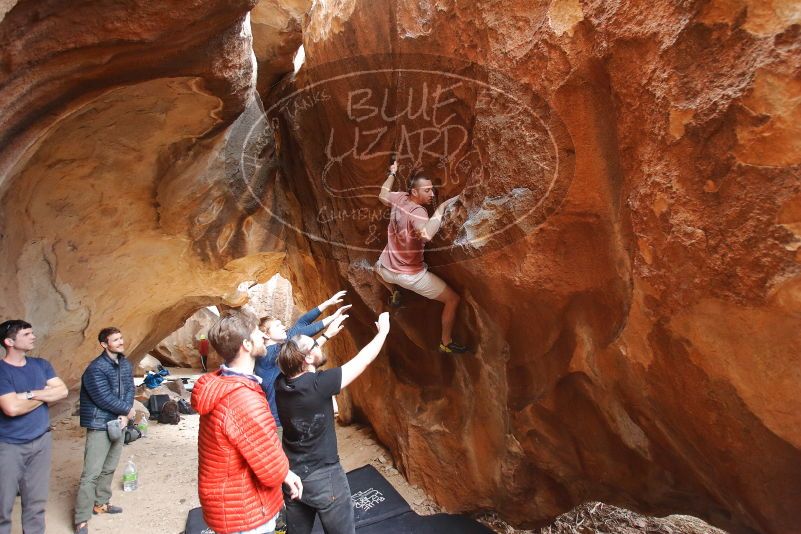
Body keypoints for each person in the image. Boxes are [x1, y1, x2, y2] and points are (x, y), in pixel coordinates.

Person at [276, 311, 391, 534]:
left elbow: (298, 356)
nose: (320, 346)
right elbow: (363, 360)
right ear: (307, 358)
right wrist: (383, 332)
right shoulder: (320, 385)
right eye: (315, 346)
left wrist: (326, 336)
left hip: (292, 473)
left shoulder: (281, 384)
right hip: (324, 477)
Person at [192, 309, 302, 534]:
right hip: (244, 511)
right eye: (257, 333)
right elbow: (270, 470)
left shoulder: (220, 384)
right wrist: (285, 473)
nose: (263, 336)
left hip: (227, 503)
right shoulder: (242, 398)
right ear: (247, 345)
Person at [375, 160, 468, 353]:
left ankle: (393, 293)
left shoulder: (400, 198)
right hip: (410, 277)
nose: (432, 194)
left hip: (385, 269)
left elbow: (382, 194)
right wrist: (441, 208)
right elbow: (426, 234)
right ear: (415, 192)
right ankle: (446, 342)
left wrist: (392, 173)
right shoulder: (419, 212)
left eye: (432, 190)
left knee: (377, 270)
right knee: (453, 300)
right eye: (427, 191)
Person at [0, 320, 68, 534]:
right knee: (2, 506)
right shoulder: (2, 371)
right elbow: (11, 408)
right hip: (9, 445)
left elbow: (62, 391)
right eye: (27, 334)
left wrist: (30, 394)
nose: (33, 337)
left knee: (36, 504)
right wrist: (45, 394)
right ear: (9, 341)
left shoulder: (41, 365)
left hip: (41, 442)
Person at [256, 290, 351, 437]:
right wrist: (328, 331)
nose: (282, 327)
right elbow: (299, 344)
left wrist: (329, 303)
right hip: (278, 423)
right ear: (266, 334)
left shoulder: (278, 347)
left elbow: (301, 323)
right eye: (277, 325)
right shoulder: (268, 354)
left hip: (288, 415)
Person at [74, 327, 136, 534]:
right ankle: (81, 519)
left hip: (119, 422)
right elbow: (102, 396)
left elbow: (129, 389)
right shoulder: (95, 368)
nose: (121, 342)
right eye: (115, 340)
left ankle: (101, 503)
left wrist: (125, 414)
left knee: (109, 467)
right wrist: (126, 410)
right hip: (100, 424)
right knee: (91, 473)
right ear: (104, 344)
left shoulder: (125, 364)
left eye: (121, 337)